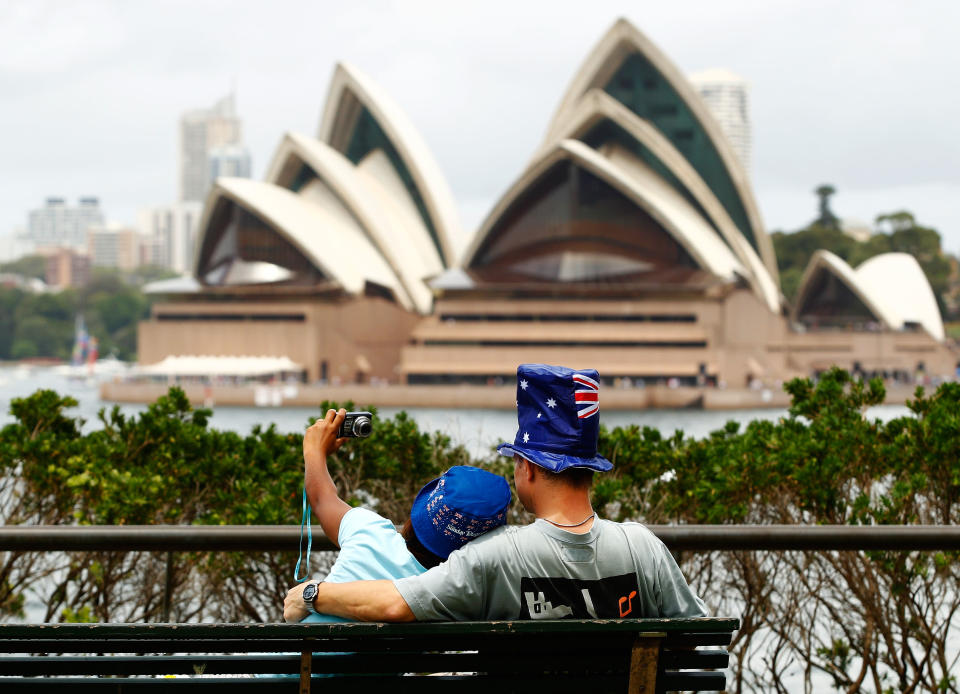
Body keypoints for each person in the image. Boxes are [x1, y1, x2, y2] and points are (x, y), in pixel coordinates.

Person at [284, 365, 706, 622]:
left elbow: (396, 604)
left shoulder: (495, 556)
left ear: (530, 468)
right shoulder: (643, 548)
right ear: (588, 471)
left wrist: (312, 593)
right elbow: (698, 637)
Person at [296, 408, 511, 623]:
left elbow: (322, 499)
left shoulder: (368, 532)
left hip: (299, 655)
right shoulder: (461, 598)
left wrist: (314, 450)